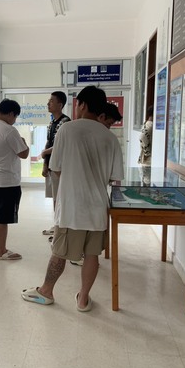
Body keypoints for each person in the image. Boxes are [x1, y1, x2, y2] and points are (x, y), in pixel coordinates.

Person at [21, 85, 124, 311]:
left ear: (82, 105)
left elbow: (56, 168)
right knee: (92, 255)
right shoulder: (110, 138)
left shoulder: (67, 129)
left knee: (59, 253)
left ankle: (46, 292)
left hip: (72, 207)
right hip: (98, 209)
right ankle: (83, 299)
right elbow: (114, 177)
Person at [69, 101, 123, 267]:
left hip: (84, 203)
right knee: (83, 250)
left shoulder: (76, 132)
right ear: (101, 116)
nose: (108, 127)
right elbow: (114, 176)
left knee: (86, 250)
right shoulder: (106, 139)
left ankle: (80, 256)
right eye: (108, 123)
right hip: (85, 202)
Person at [0, 99, 29, 260]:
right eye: (15, 117)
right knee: (2, 218)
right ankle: (1, 251)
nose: (14, 120)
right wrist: (24, 142)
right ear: (10, 114)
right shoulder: (9, 130)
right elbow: (24, 153)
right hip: (6, 182)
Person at [40, 91, 70, 241]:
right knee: (55, 197)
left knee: (60, 197)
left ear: (60, 104)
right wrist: (45, 164)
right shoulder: (52, 122)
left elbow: (60, 144)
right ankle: (57, 224)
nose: (48, 103)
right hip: (52, 165)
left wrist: (45, 152)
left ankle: (61, 227)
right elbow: (49, 142)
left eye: (51, 101)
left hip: (61, 167)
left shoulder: (65, 122)